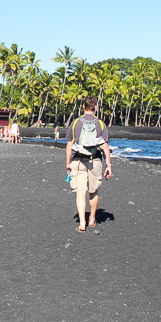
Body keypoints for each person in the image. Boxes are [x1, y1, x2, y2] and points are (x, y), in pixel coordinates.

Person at [65, 96, 112, 233]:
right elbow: (105, 147)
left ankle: (82, 223)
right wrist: (108, 165)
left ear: (84, 107)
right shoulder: (101, 124)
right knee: (93, 191)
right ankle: (92, 218)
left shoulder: (76, 123)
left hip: (78, 161)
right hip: (95, 160)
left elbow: (69, 145)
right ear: (95, 108)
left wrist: (68, 163)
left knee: (80, 192)